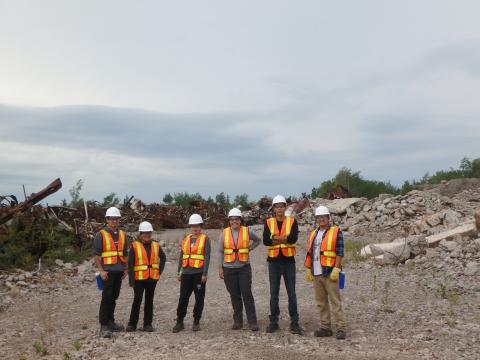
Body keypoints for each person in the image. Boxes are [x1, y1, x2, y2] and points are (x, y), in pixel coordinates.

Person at [263, 195, 303, 335]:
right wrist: (284, 240)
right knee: (274, 294)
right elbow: (266, 242)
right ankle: (273, 321)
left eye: (282, 206)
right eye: (277, 206)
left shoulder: (292, 221)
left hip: (288, 261)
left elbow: (293, 239)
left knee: (291, 293)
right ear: (274, 208)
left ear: (285, 207)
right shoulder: (268, 222)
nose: (279, 209)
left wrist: (275, 238)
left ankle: (295, 322)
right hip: (273, 261)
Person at [305, 205, 346, 340]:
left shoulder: (335, 231)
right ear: (316, 219)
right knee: (321, 302)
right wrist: (309, 269)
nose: (321, 219)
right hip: (316, 272)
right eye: (319, 217)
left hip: (330, 271)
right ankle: (325, 327)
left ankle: (340, 328)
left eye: (323, 217)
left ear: (329, 218)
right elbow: (311, 252)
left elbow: (340, 251)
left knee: (335, 301)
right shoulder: (313, 233)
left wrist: (337, 268)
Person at [218, 208, 261, 331]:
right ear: (229, 221)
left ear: (240, 220)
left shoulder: (247, 231)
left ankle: (252, 321)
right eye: (232, 219)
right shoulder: (224, 233)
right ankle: (238, 321)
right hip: (228, 269)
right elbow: (220, 251)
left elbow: (258, 240)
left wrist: (249, 249)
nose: (234, 221)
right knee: (234, 295)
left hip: (244, 268)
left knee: (247, 294)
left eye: (236, 219)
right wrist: (220, 267)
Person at [93, 206, 128, 338]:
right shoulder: (101, 234)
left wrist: (126, 269)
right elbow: (96, 255)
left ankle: (111, 322)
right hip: (107, 272)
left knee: (114, 297)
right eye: (111, 219)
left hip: (119, 271)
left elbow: (125, 253)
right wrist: (101, 270)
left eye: (116, 218)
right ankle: (103, 326)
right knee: (106, 298)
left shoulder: (123, 234)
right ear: (107, 219)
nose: (114, 221)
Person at [172, 214, 211, 332]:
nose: (195, 228)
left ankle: (196, 321)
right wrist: (179, 271)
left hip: (199, 274)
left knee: (199, 298)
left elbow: (207, 256)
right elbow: (182, 256)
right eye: (193, 226)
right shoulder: (186, 239)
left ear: (201, 226)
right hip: (186, 274)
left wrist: (205, 273)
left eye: (198, 226)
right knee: (183, 297)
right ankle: (179, 321)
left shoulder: (205, 239)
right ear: (190, 226)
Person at [126, 221, 166, 332]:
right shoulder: (134, 246)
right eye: (145, 233)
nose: (147, 235)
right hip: (138, 279)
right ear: (140, 233)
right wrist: (131, 280)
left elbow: (163, 258)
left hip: (152, 278)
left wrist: (159, 271)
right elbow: (130, 264)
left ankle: (147, 324)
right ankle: (132, 324)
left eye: (149, 232)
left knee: (149, 301)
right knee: (137, 300)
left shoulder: (155, 245)